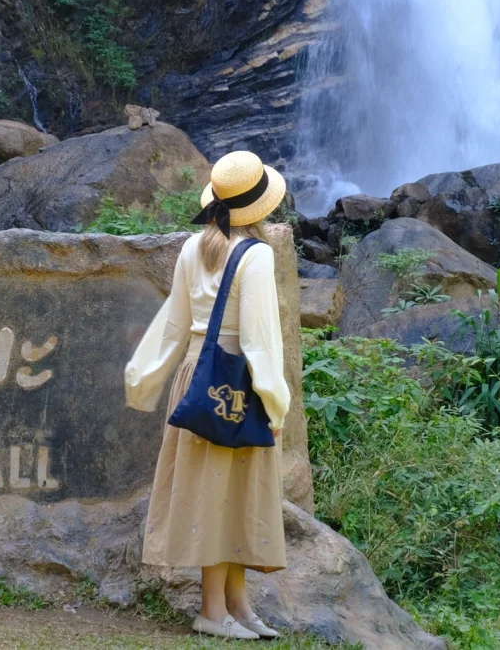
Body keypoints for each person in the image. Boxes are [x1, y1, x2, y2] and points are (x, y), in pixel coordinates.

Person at [125, 150, 291, 641]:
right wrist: (275, 401)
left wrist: (146, 380)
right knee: (228, 495)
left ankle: (238, 606)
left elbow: (173, 324)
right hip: (238, 382)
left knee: (218, 496)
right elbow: (260, 339)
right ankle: (212, 612)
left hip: (199, 377)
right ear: (260, 207)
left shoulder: (192, 248)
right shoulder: (257, 255)